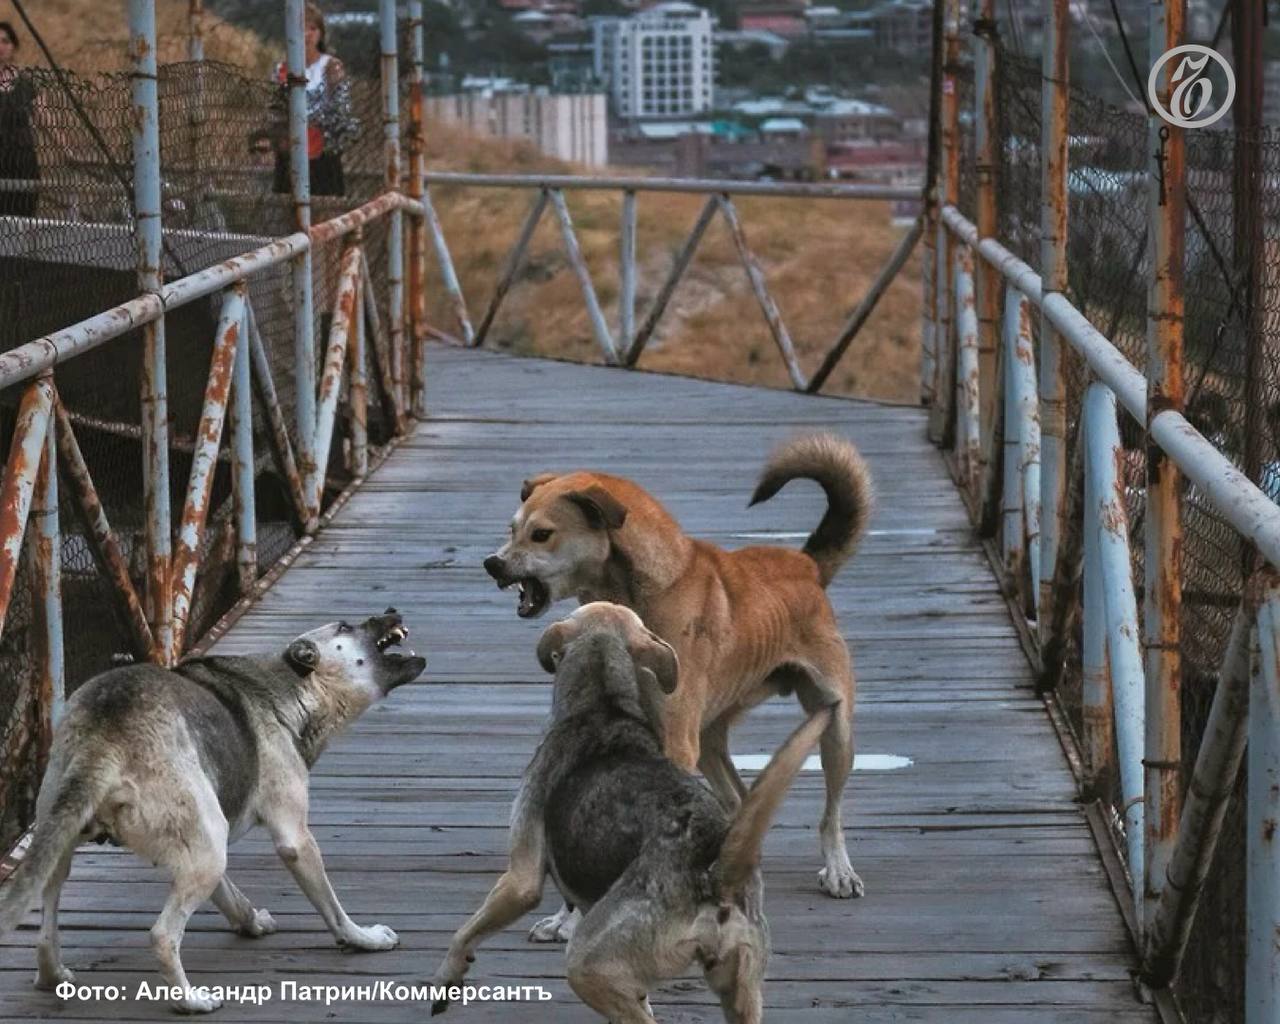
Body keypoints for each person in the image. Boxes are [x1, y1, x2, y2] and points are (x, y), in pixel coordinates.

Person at [272, 3, 359, 198]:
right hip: (290, 150)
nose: (307, 34)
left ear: (320, 33)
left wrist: (313, 122)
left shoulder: (331, 66)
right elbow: (275, 111)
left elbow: (341, 110)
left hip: (323, 153)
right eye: (301, 28)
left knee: (325, 206)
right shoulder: (281, 69)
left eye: (313, 28)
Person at [0, 22, 38, 217]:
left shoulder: (25, 83)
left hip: (22, 161)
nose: (0, 46)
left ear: (13, 47)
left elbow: (46, 117)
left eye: (5, 41)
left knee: (22, 217)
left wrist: (68, 152)